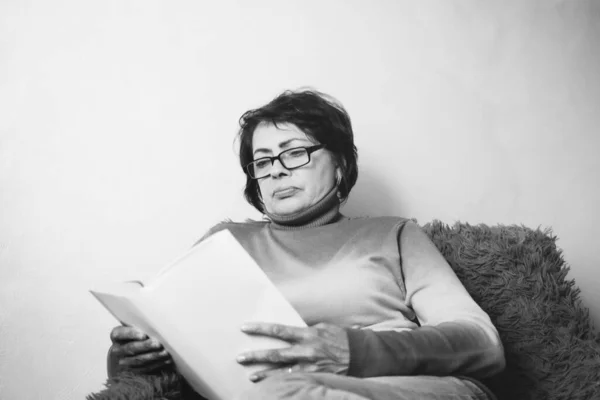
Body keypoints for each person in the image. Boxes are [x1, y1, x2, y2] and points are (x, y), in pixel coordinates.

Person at [107, 89, 505, 400]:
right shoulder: (224, 243)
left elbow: (484, 345)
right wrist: (131, 355)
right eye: (262, 161)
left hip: (412, 388)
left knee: (282, 393)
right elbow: (175, 336)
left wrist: (355, 350)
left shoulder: (394, 234)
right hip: (264, 392)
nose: (277, 169)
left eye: (294, 153)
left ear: (341, 165)